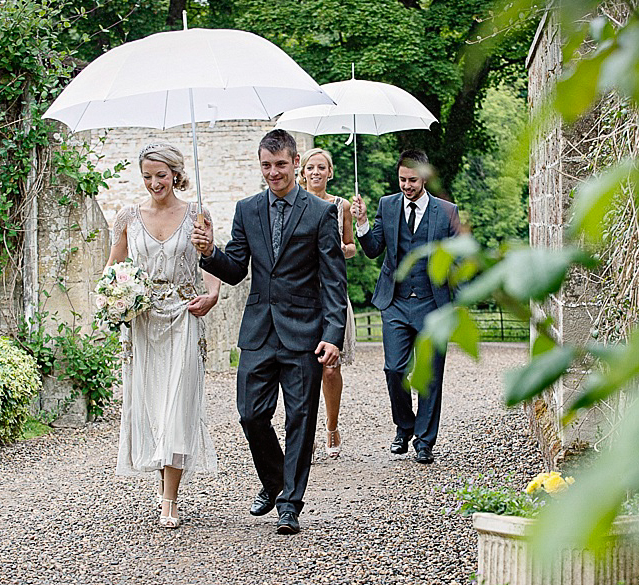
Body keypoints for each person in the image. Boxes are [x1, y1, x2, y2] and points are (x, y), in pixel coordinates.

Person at [191, 129, 347, 535]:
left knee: (300, 417)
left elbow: (333, 280)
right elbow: (236, 268)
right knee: (250, 415)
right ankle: (274, 480)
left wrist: (333, 333)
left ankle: (290, 504)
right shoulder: (247, 209)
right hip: (259, 331)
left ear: (295, 163)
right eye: (266, 165)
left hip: (305, 332)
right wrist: (210, 253)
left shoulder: (319, 212)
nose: (273, 172)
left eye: (280, 164)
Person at [105, 142, 221, 529]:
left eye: (161, 175)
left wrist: (213, 293)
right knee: (153, 408)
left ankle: (169, 499)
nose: (155, 183)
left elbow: (211, 261)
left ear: (175, 174)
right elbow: (113, 270)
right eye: (148, 177)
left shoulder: (196, 214)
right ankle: (164, 484)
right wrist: (116, 299)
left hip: (184, 316)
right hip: (143, 322)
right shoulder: (127, 217)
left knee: (176, 406)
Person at [352, 150, 461, 464]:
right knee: (394, 369)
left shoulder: (446, 211)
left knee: (430, 375)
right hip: (395, 302)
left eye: (412, 180)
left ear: (424, 177)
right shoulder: (387, 206)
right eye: (402, 179)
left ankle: (424, 441)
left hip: (434, 304)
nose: (406, 185)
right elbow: (373, 250)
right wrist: (360, 222)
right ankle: (405, 426)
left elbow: (459, 260)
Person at [298, 148, 357, 459]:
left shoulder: (340, 206)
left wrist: (338, 250)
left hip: (331, 293)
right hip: (302, 294)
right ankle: (304, 433)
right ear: (303, 172)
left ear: (330, 172)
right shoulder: (293, 203)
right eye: (311, 167)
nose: (316, 172)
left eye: (322, 167)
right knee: (304, 369)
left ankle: (331, 425)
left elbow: (351, 247)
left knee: (330, 370)